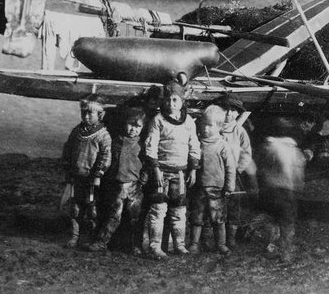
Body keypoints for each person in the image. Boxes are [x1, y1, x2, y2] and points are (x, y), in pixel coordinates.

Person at [142, 78, 201, 259]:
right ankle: (155, 246)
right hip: (162, 173)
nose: (171, 103)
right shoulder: (158, 120)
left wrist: (192, 169)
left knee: (179, 211)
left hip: (180, 173)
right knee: (158, 210)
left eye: (175, 100)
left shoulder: (189, 121)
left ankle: (179, 244)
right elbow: (150, 145)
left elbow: (194, 145)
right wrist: (156, 170)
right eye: (167, 99)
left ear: (182, 101)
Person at [86, 106, 148, 253]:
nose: (133, 129)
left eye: (138, 126)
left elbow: (146, 164)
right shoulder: (115, 142)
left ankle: (136, 245)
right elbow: (108, 160)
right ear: (124, 123)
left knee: (135, 217)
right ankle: (102, 242)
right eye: (131, 125)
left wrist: (143, 180)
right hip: (118, 185)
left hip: (134, 186)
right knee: (114, 215)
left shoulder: (142, 145)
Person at [60, 94, 112, 248]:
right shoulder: (77, 131)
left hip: (92, 178)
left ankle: (91, 238)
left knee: (92, 209)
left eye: (90, 113)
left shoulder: (103, 135)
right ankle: (74, 237)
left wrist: (98, 175)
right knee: (75, 208)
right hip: (76, 176)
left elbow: (105, 156)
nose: (86, 116)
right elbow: (68, 149)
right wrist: (67, 168)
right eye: (84, 112)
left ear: (100, 115)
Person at [188, 104, 236, 254]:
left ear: (219, 127)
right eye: (203, 125)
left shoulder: (223, 145)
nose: (205, 129)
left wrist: (229, 186)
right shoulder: (198, 143)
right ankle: (195, 243)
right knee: (197, 216)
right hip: (199, 187)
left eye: (209, 126)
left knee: (218, 218)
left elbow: (230, 167)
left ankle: (221, 244)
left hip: (217, 188)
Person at [254, 123, 307, 262]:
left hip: (270, 188)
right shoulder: (294, 151)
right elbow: (298, 174)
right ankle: (286, 253)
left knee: (271, 219)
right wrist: (298, 186)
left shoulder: (268, 147)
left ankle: (270, 246)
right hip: (286, 190)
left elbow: (260, 168)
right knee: (287, 223)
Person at [215, 95, 254, 248]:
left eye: (233, 111)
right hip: (215, 174)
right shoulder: (212, 128)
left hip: (233, 175)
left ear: (238, 113)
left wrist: (237, 169)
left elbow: (246, 153)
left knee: (234, 206)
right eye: (225, 110)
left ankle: (230, 238)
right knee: (215, 205)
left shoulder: (239, 131)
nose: (229, 114)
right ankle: (217, 239)